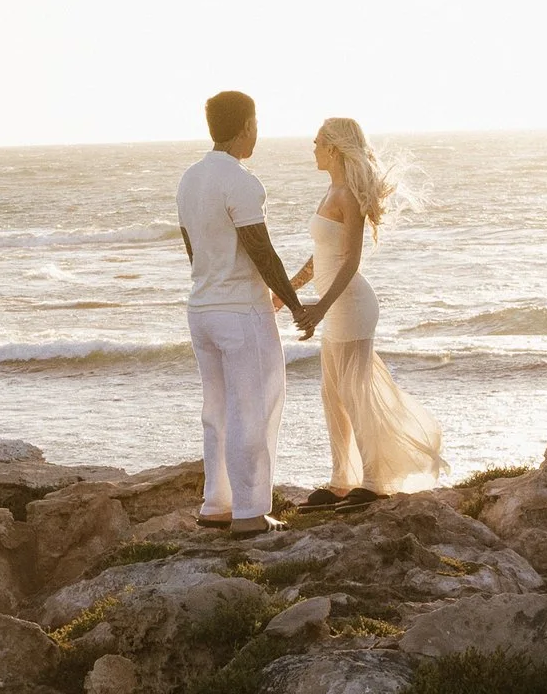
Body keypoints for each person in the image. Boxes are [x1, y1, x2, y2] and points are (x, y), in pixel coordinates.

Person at [176, 91, 311, 533]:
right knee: (254, 407)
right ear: (246, 127)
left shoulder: (189, 179)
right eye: (256, 123)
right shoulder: (241, 181)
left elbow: (193, 250)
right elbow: (262, 252)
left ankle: (216, 506)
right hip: (241, 313)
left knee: (217, 408)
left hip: (202, 309)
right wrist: (295, 304)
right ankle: (252, 513)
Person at [292, 116, 445, 493]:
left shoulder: (348, 197)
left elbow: (350, 260)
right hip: (335, 304)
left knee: (353, 393)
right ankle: (342, 480)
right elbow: (319, 258)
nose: (312, 148)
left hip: (351, 304)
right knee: (333, 392)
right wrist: (287, 292)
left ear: (333, 148)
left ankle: (374, 482)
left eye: (316, 142)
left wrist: (321, 307)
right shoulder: (329, 193)